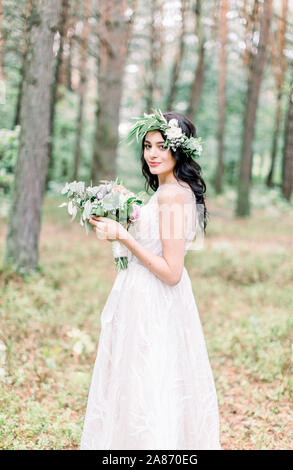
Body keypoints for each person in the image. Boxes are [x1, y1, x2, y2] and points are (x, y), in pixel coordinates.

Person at [80, 109, 221, 450]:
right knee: (145, 385)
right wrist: (130, 212)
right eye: (147, 146)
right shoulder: (171, 190)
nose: (153, 154)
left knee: (148, 385)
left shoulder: (173, 195)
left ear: (179, 149)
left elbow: (172, 272)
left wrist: (123, 237)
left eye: (162, 146)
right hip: (145, 299)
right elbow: (158, 238)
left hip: (155, 302)